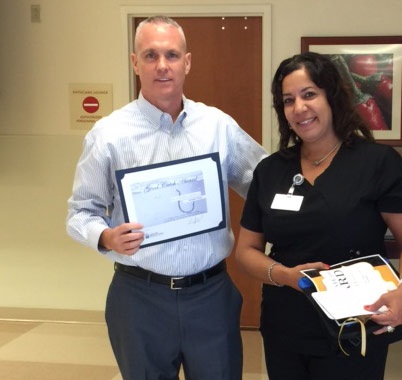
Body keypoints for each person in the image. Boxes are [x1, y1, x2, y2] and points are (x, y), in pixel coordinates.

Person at [66, 15, 267, 380]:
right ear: (134, 62)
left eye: (172, 55)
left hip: (210, 295)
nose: (162, 66)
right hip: (139, 297)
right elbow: (80, 212)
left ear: (187, 62)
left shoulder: (217, 126)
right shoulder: (108, 134)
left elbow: (263, 184)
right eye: (150, 55)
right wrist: (106, 236)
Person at [235, 52, 402, 380]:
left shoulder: (377, 163)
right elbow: (245, 251)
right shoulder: (271, 171)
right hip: (286, 324)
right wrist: (285, 275)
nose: (299, 108)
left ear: (332, 96)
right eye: (288, 100)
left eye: (309, 94)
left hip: (357, 322)